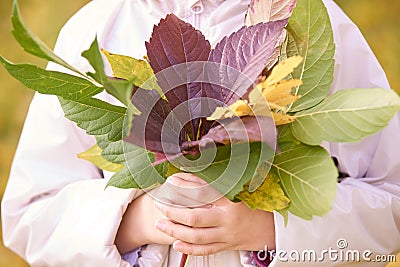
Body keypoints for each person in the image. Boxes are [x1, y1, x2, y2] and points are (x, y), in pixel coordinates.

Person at [2, 0, 400, 266]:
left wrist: (271, 228)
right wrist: (137, 220)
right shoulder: (96, 27)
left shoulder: (308, 20)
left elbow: (392, 204)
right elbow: (27, 215)